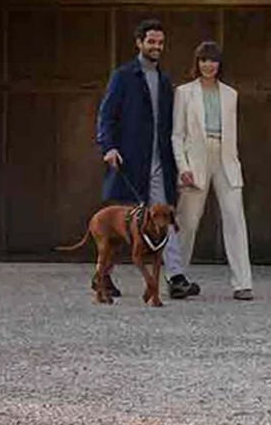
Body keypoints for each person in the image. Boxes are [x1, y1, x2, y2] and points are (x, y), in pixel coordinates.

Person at [96, 18, 199, 300]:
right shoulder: (123, 76)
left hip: (159, 164)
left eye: (160, 42)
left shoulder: (165, 81)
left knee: (164, 217)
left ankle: (176, 277)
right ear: (139, 43)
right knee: (121, 225)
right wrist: (109, 146)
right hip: (129, 161)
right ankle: (102, 277)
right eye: (151, 41)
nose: (156, 47)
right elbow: (106, 115)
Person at [172, 40, 254, 301]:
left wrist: (234, 161)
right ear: (197, 63)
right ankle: (175, 278)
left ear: (220, 64)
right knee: (188, 221)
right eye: (204, 60)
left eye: (213, 60)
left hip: (226, 159)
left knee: (235, 219)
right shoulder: (184, 92)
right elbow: (177, 135)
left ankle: (243, 283)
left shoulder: (231, 94)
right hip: (195, 158)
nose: (208, 65)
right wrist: (183, 167)